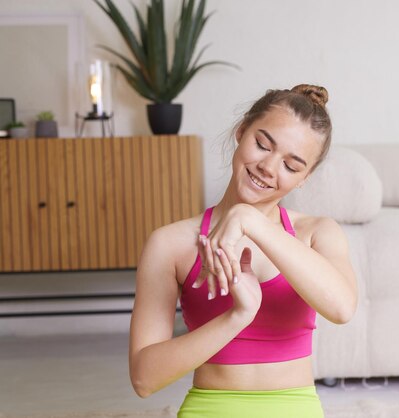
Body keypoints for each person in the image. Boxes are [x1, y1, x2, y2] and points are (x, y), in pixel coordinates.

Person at [129, 84, 358, 418]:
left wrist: (252, 220)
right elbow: (144, 379)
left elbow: (341, 308)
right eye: (262, 145)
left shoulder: (317, 233)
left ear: (305, 178)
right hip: (210, 409)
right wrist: (238, 316)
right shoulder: (170, 244)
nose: (268, 167)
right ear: (241, 131)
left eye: (291, 166)